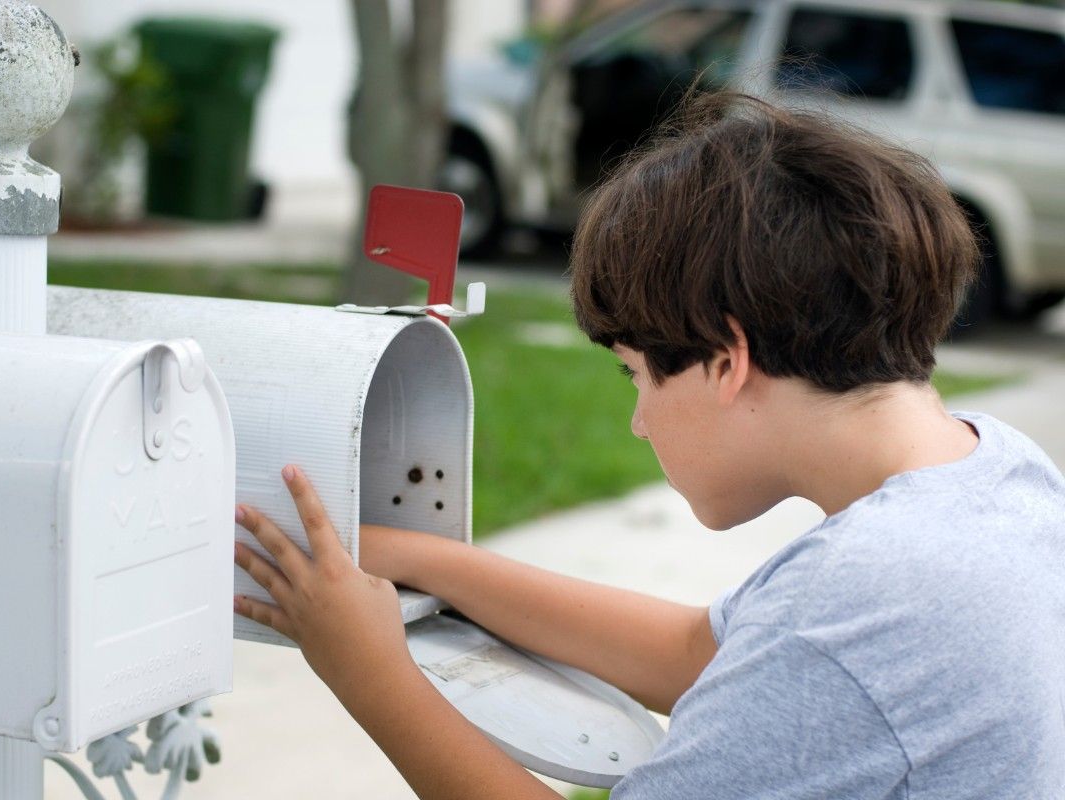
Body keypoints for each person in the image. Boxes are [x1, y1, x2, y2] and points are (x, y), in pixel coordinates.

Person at [231, 93, 1065, 798]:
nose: (637, 420)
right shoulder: (995, 472)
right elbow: (697, 653)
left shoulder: (860, 598)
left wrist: (367, 672)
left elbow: (786, 651)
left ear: (726, 361)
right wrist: (422, 558)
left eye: (636, 375)